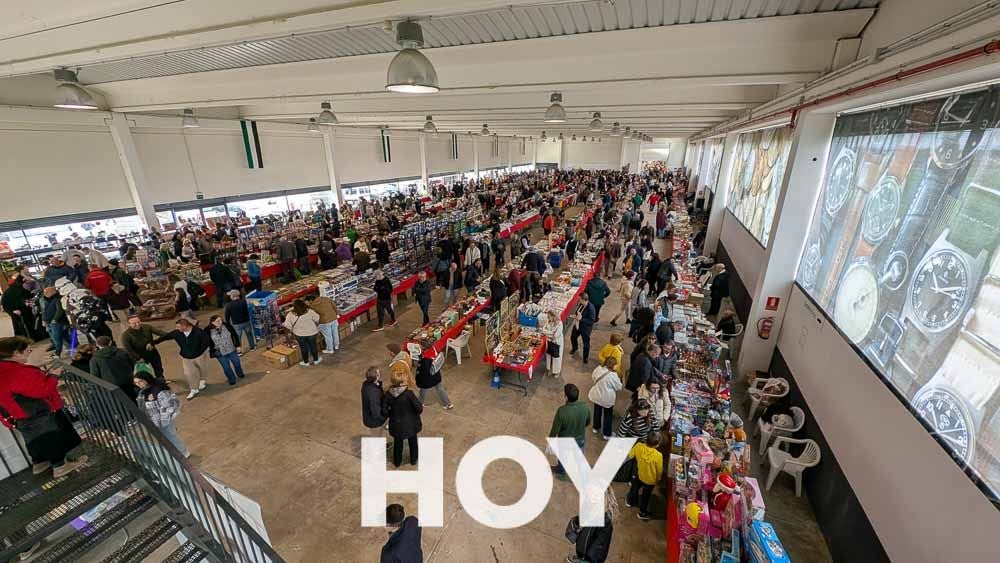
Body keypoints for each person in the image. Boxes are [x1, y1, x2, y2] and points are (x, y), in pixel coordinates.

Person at [0, 337, 87, 478]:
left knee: (34, 439)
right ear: (16, 353)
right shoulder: (15, 371)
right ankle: (60, 466)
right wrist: (54, 375)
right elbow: (42, 390)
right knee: (49, 437)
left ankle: (40, 463)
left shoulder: (3, 369)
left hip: (16, 415)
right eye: (27, 350)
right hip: (34, 411)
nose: (30, 352)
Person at [133, 365, 188, 458]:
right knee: (165, 438)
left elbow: (169, 406)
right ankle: (176, 452)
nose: (139, 384)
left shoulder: (158, 390)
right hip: (153, 421)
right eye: (136, 383)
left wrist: (163, 421)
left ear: (146, 379)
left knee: (171, 436)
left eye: (140, 381)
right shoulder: (142, 392)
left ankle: (183, 452)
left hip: (163, 421)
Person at [153, 317, 211, 400]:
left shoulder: (199, 332)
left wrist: (199, 351)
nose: (176, 328)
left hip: (199, 356)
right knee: (188, 373)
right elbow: (166, 337)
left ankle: (202, 380)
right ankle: (194, 389)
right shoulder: (177, 333)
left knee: (202, 368)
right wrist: (153, 343)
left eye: (178, 327)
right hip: (186, 357)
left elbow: (206, 342)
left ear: (185, 326)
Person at [382, 371, 423, 467]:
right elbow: (419, 408)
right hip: (411, 424)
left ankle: (397, 462)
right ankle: (414, 460)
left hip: (396, 424)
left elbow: (384, 411)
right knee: (413, 443)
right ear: (401, 383)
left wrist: (391, 414)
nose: (407, 380)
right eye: (405, 380)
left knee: (398, 443)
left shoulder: (388, 394)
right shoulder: (409, 394)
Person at [549, 383, 591, 476]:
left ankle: (561, 469)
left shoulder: (562, 411)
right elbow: (588, 422)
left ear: (566, 397)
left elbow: (555, 429)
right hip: (580, 439)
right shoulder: (585, 407)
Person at [567, 489, 616, 563]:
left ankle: (581, 559)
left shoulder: (606, 523)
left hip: (591, 558)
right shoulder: (589, 510)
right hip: (583, 547)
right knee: (580, 550)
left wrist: (587, 560)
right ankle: (580, 557)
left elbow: (600, 546)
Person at [625, 433, 663, 520]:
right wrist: (658, 479)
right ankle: (642, 513)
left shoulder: (638, 446)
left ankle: (630, 501)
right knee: (646, 496)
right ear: (657, 445)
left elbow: (630, 455)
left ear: (646, 440)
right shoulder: (658, 456)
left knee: (634, 488)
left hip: (639, 474)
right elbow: (659, 470)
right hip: (650, 480)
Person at [89, 335, 138, 401]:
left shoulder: (95, 359)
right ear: (110, 342)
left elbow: (95, 375)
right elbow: (132, 364)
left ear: (97, 345)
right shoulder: (122, 352)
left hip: (111, 386)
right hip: (128, 381)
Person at [587, 356, 622, 440]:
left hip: (597, 396)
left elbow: (593, 377)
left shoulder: (598, 369)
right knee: (607, 415)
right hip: (607, 399)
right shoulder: (613, 375)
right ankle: (606, 434)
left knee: (597, 411)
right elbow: (619, 387)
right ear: (613, 366)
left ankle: (595, 427)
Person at [121, 315, 166, 379]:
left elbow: (162, 333)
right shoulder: (125, 335)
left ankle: (161, 382)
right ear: (129, 324)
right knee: (144, 374)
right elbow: (128, 349)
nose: (137, 324)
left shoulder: (147, 327)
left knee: (159, 369)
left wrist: (152, 343)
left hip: (152, 352)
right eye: (134, 323)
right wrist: (138, 358)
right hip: (139, 356)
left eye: (138, 322)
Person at [208, 315, 245, 385]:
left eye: (221, 320)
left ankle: (240, 373)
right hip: (220, 352)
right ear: (212, 322)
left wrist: (237, 345)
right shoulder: (208, 330)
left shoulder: (227, 326)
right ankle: (231, 379)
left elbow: (235, 335)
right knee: (226, 367)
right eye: (218, 321)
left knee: (237, 362)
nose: (220, 322)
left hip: (231, 349)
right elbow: (207, 341)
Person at [283, 299, 321, 365]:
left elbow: (287, 325)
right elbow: (317, 318)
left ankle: (306, 362)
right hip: (312, 332)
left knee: (303, 348)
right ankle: (316, 360)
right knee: (313, 346)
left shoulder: (290, 314)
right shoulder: (310, 311)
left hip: (299, 334)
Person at [40, 286, 71, 357]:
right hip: (49, 322)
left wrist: (55, 319)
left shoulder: (57, 299)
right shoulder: (44, 300)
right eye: (44, 292)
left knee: (57, 338)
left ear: (53, 292)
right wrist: (43, 320)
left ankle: (57, 353)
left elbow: (59, 311)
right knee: (64, 336)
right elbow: (43, 311)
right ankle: (77, 346)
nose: (45, 293)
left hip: (57, 323)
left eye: (47, 292)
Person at [569, 293, 596, 364]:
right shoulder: (581, 304)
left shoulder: (591, 308)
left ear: (583, 300)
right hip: (578, 325)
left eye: (580, 299)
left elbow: (591, 321)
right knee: (573, 337)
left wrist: (581, 319)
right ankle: (575, 348)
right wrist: (575, 315)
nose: (579, 300)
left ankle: (585, 358)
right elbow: (578, 311)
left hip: (585, 328)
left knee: (586, 343)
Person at [540, 310, 564, 378]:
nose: (548, 318)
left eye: (549, 317)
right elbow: (543, 330)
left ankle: (556, 372)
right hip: (549, 342)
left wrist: (547, 333)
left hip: (557, 343)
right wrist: (551, 332)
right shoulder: (548, 321)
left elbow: (556, 335)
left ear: (553, 316)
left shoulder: (559, 324)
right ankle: (548, 369)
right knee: (548, 355)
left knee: (556, 357)